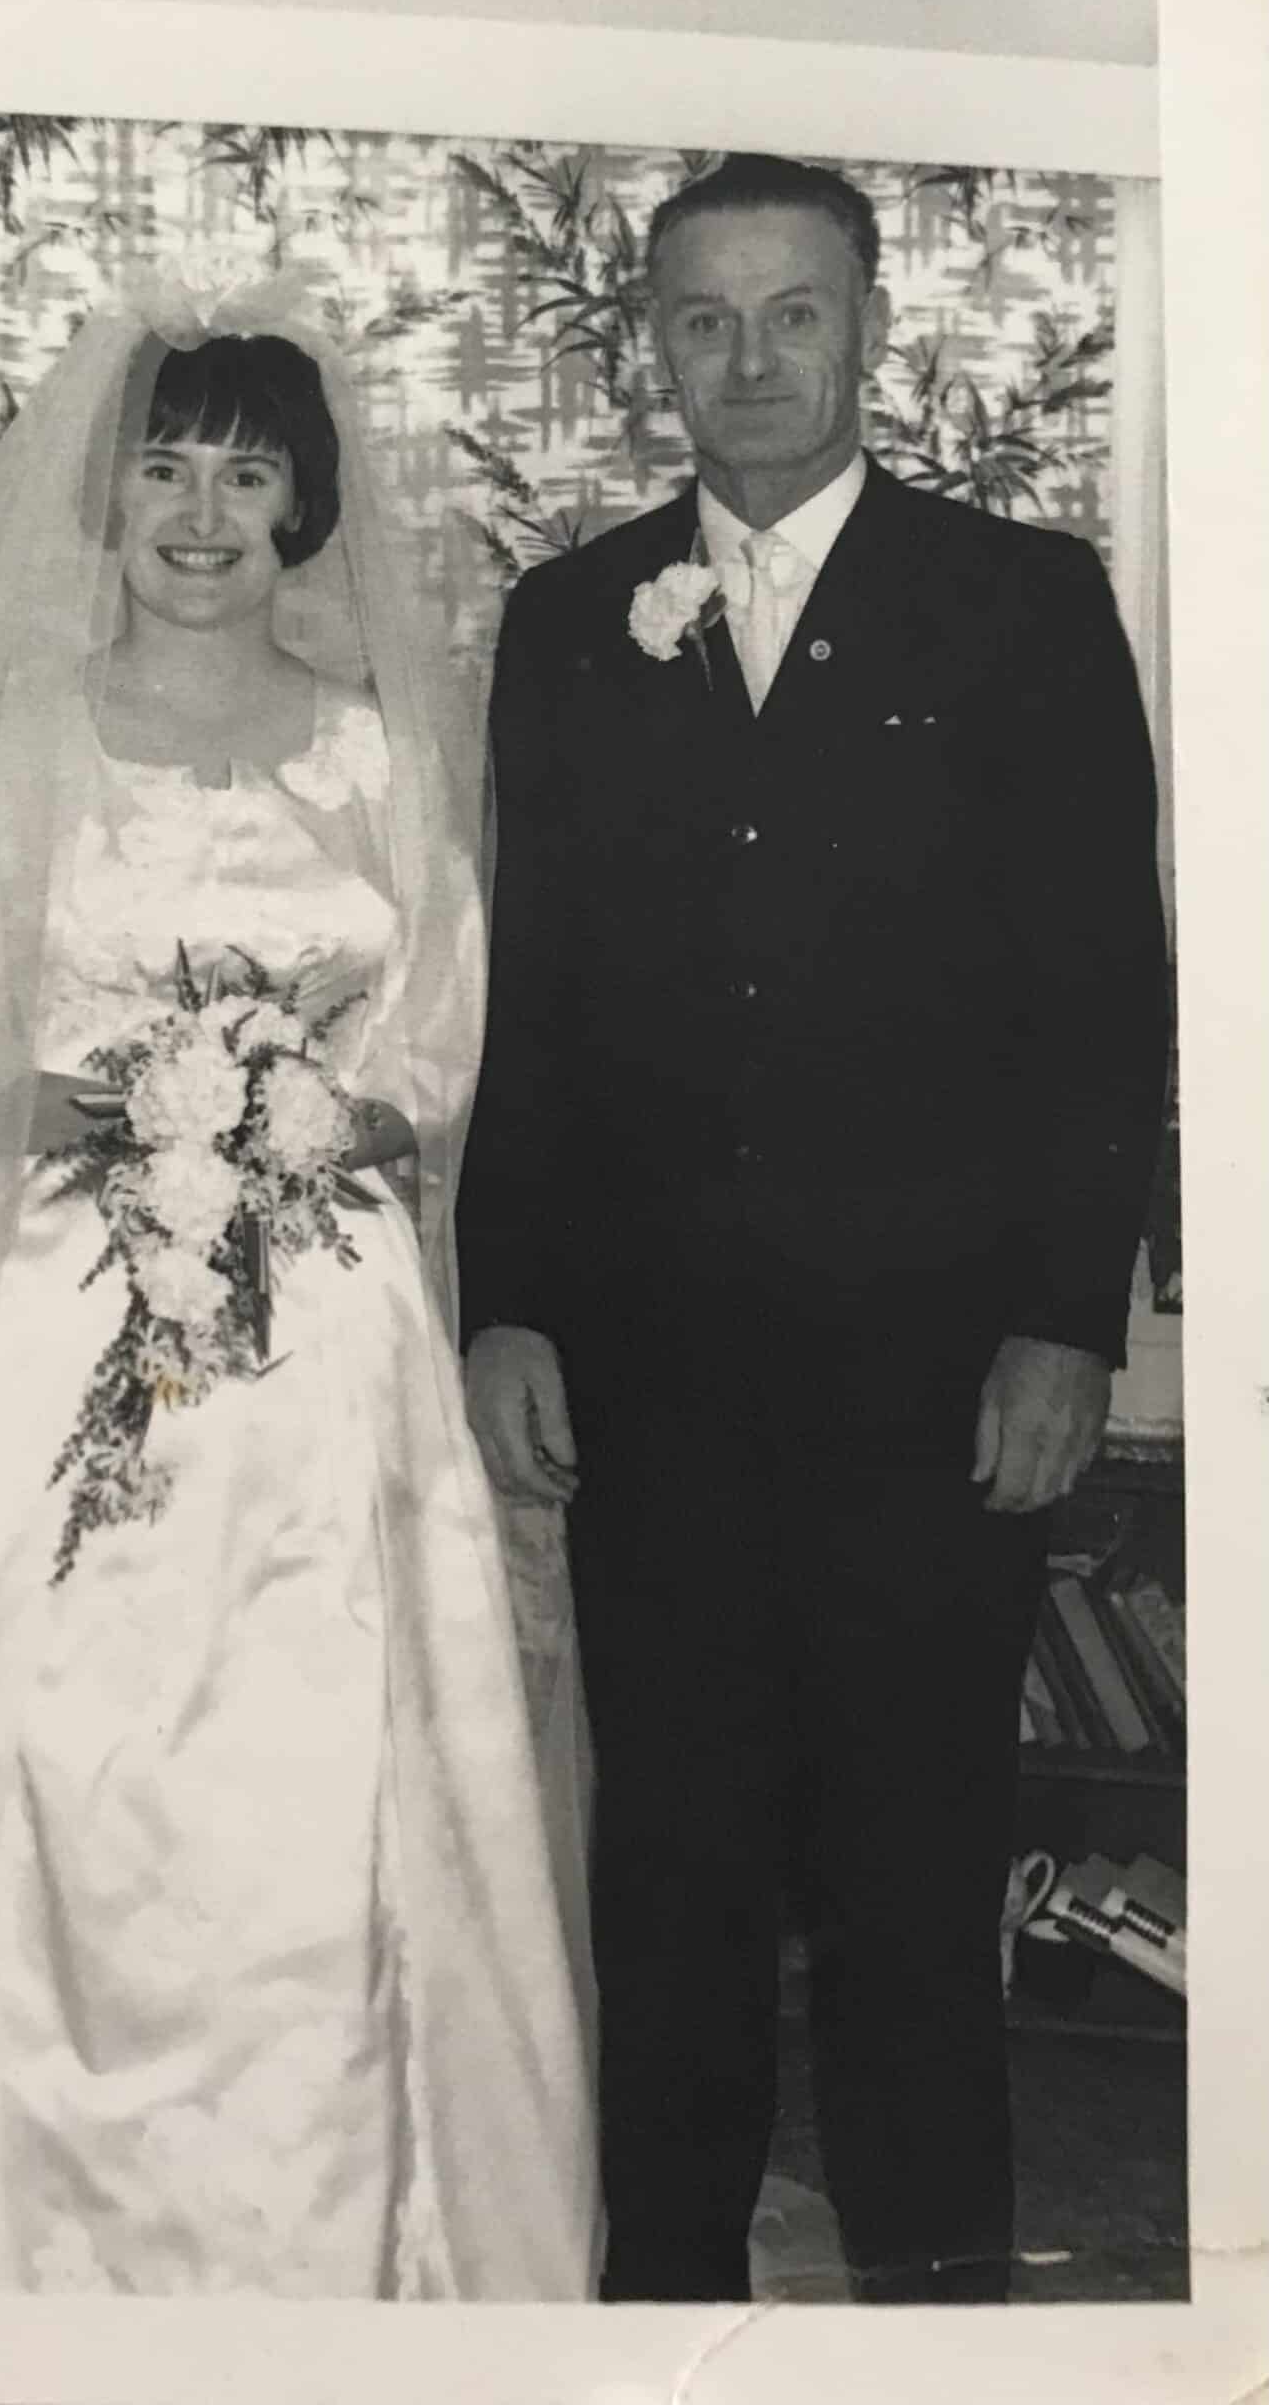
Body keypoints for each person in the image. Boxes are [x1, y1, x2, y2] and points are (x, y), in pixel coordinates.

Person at [0, 271, 600, 2297]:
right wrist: (122, 1103)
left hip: (326, 1333)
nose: (202, 513)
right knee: (34, 1734)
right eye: (165, 467)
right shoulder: (3, 749)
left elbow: (442, 1034)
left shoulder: (381, 755)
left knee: (317, 1749)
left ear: (305, 509)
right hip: (54, 1304)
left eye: (247, 473)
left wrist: (321, 1116)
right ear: (103, 495)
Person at [457, 153, 1170, 2305]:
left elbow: (1094, 994)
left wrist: (1065, 1321)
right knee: (662, 1867)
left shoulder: (1019, 594)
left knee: (905, 1863)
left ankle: (933, 2294)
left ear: (867, 332)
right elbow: (537, 999)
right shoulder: (568, 615)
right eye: (701, 317)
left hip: (935, 1374)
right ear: (645, 345)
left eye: (791, 313)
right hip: (652, 1372)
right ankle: (662, 2298)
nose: (747, 358)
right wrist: (504, 1305)